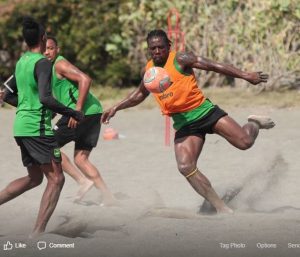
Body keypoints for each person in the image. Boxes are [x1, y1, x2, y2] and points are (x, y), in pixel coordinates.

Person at [101, 29, 275, 213]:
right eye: (153, 48)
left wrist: (246, 75)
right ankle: (221, 207)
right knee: (185, 166)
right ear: (149, 49)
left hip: (205, 112)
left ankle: (254, 123)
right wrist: (116, 107)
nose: (157, 51)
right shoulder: (150, 71)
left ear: (169, 46)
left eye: (161, 47)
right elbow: (139, 95)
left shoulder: (181, 59)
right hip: (184, 124)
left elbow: (214, 66)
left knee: (245, 142)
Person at [0, 17, 83, 237]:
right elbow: (46, 98)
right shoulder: (43, 63)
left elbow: (7, 95)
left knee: (34, 178)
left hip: (21, 126)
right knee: (57, 178)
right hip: (37, 129)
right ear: (43, 39)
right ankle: (37, 234)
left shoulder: (21, 62)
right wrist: (72, 112)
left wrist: (35, 106)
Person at [44, 36, 116, 205]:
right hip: (93, 111)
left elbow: (85, 79)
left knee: (47, 145)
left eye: (51, 48)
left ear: (57, 49)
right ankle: (109, 197)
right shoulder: (49, 68)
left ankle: (83, 182)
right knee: (81, 159)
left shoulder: (60, 64)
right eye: (44, 49)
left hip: (82, 112)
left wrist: (77, 111)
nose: (47, 52)